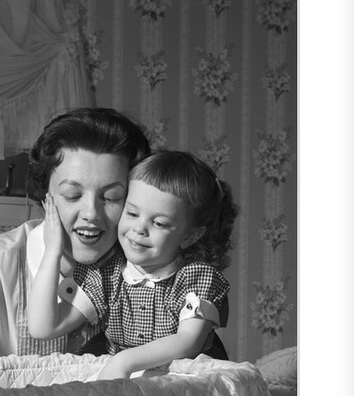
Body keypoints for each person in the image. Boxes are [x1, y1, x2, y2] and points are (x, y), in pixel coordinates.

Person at [0, 107, 150, 357]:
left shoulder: (146, 269)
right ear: (44, 195)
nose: (91, 213)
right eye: (72, 195)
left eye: (111, 197)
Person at [27, 150, 239, 379]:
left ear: (190, 236)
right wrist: (53, 251)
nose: (139, 229)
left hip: (180, 384)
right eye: (132, 213)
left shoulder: (196, 278)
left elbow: (187, 341)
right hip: (121, 380)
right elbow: (43, 328)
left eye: (159, 223)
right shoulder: (107, 273)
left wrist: (124, 361)